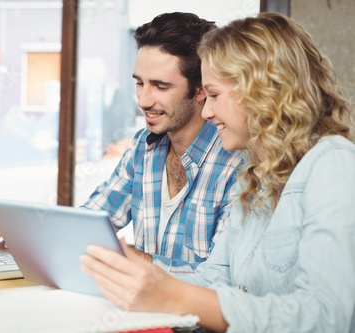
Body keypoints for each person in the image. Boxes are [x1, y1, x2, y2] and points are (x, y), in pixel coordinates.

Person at [80, 12, 355, 333]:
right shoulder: (257, 177)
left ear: (262, 91)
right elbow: (214, 278)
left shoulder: (334, 164)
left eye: (213, 95)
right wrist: (141, 277)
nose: (207, 111)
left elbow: (327, 316)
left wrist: (172, 293)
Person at [0, 12, 245, 275]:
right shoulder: (144, 147)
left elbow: (220, 279)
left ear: (200, 89)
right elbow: (96, 218)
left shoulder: (237, 163)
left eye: (160, 87)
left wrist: (132, 259)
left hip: (192, 317)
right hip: (137, 309)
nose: (143, 100)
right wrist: (30, 231)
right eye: (140, 83)